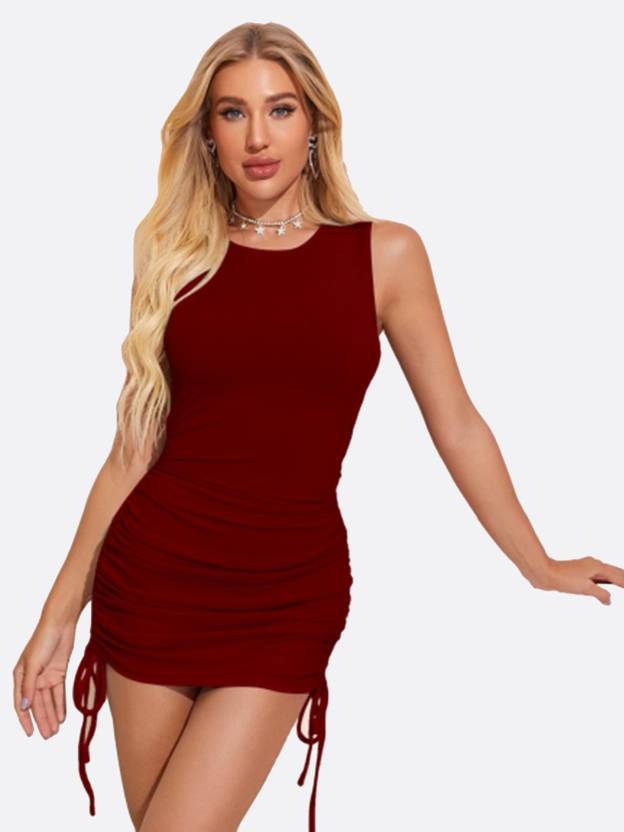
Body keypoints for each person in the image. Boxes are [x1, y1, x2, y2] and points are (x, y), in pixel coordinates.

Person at [12, 20, 623, 832]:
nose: (257, 137)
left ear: (315, 123)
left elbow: (457, 424)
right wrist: (58, 616)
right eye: (233, 113)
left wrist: (536, 563)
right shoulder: (172, 252)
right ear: (208, 135)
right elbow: (133, 448)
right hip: (153, 579)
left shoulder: (385, 255)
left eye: (280, 109)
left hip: (284, 593)